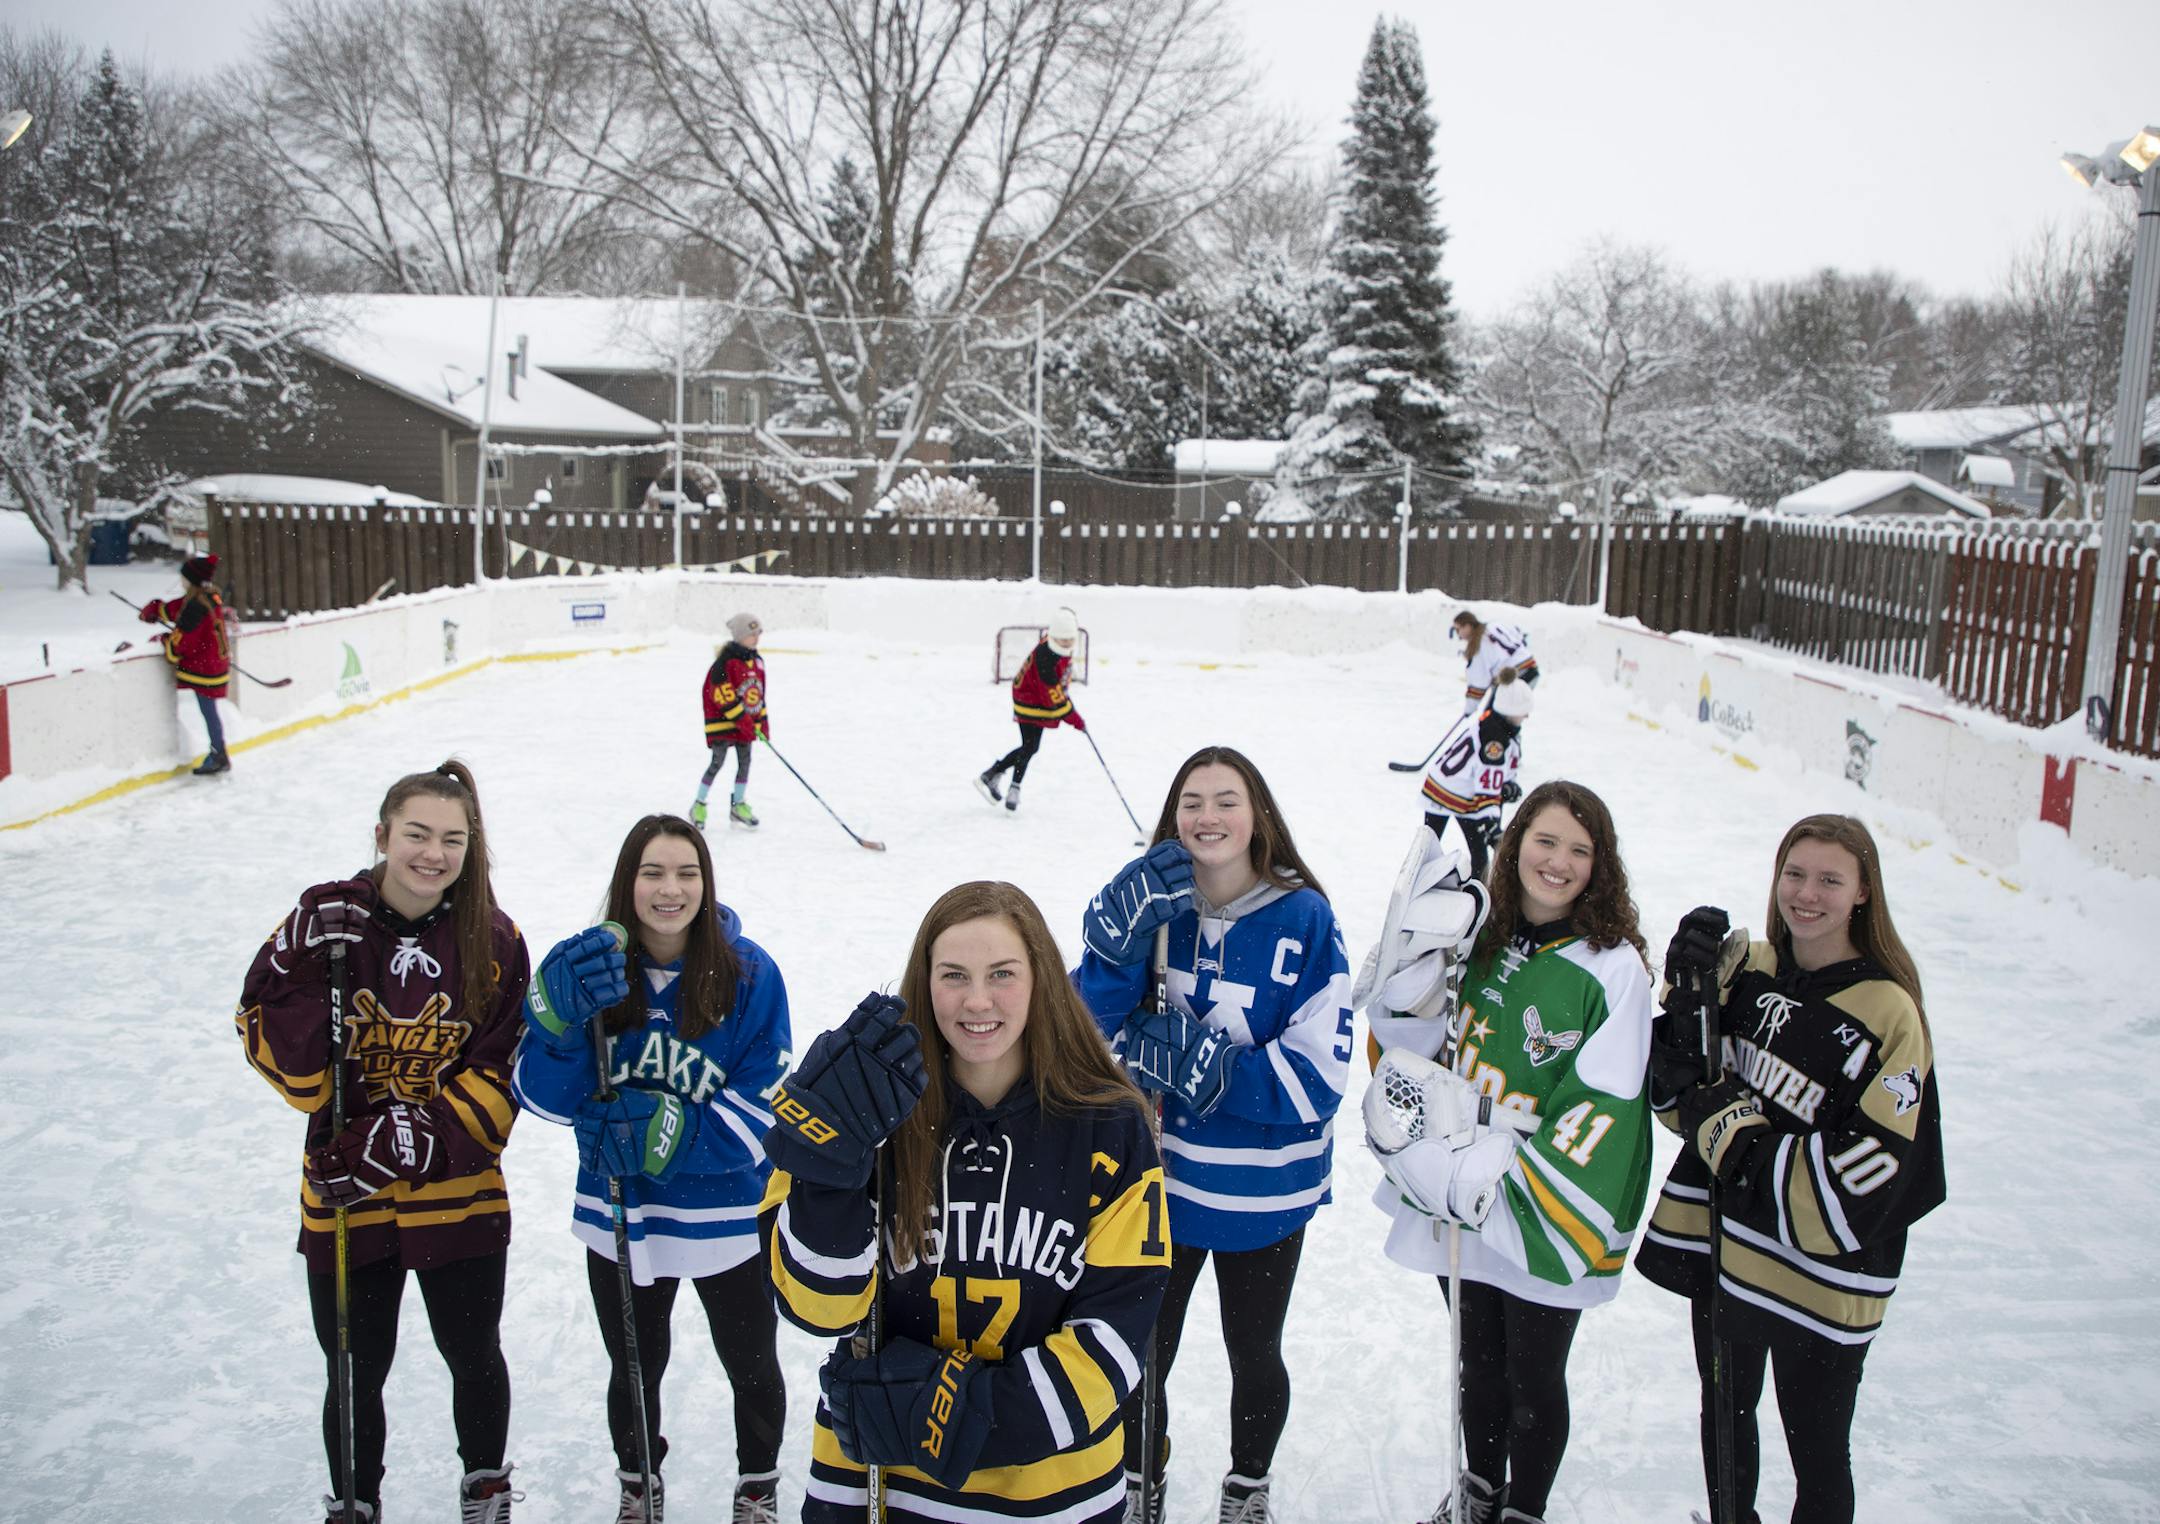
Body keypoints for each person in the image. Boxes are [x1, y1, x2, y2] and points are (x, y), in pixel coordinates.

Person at [759, 880, 1170, 1524]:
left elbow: (1116, 1336)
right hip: (877, 1485)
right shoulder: (869, 1106)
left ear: (1042, 981)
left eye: (1002, 974)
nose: (977, 1000)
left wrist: (966, 1418)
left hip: (1050, 1494)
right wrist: (829, 1174)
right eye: (953, 975)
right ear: (924, 984)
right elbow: (818, 1307)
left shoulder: (1108, 1125)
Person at [235, 761, 532, 1524]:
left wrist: (407, 1139)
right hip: (345, 1201)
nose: (433, 853)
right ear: (382, 835)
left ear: (473, 849)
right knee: (355, 1369)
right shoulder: (327, 926)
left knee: (474, 1354)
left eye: (453, 840)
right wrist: (294, 952)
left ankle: (485, 1492)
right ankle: (355, 1503)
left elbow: (502, 1075)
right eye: (417, 834)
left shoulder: (496, 939)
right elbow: (279, 1051)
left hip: (457, 1195)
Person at [1634, 815, 1945, 1524]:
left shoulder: (1890, 1011)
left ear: (1864, 892)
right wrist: (1685, 1022)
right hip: (1730, 1248)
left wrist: (1739, 1141)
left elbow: (1875, 1170)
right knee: (1725, 1417)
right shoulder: (1751, 967)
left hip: (1824, 1271)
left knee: (1820, 1452)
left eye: (1831, 880)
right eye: (1794, 874)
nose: (1807, 894)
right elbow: (1686, 1098)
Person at [1074, 746, 1353, 1524]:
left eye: (1227, 800)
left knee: (1254, 1352)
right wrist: (1113, 952)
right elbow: (1084, 1035)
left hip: (1263, 1190)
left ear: (1257, 814)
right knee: (1141, 1354)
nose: (1209, 816)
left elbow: (1320, 1079)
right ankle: (1140, 1481)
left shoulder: (1306, 918)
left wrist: (1218, 1073)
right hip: (1158, 1185)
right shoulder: (1154, 907)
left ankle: (1248, 1486)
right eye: (1192, 801)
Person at [1364, 780, 1654, 1524]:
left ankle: (1526, 1508)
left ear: (1601, 865)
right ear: (1516, 842)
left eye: (1579, 850)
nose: (1557, 862)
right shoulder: (1474, 933)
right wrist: (1402, 993)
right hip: (1452, 1171)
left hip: (1537, 1187)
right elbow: (1415, 1046)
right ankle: (1479, 1488)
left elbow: (1607, 1099)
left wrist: (1515, 1178)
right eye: (1545, 841)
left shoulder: (1611, 966)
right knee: (1478, 1357)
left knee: (1534, 1370)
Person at [511, 814, 793, 1524]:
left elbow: (766, 1114)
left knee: (751, 1361)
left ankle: (756, 1486)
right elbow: (546, 1098)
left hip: (728, 1213)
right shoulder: (592, 972)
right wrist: (552, 1030)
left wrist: (672, 1136)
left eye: (687, 873)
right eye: (653, 873)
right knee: (636, 1365)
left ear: (707, 883)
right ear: (626, 883)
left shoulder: (752, 973)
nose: (671, 890)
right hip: (623, 1209)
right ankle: (640, 1482)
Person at [1418, 669, 1533, 880]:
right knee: (1444, 852)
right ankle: (1476, 899)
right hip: (1457, 793)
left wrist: (1507, 784)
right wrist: (1490, 824)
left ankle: (1426, 882)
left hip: (1441, 788)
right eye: (1523, 710)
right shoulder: (1495, 739)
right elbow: (1487, 783)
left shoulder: (1495, 724)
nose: (1527, 715)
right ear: (1510, 709)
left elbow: (1495, 774)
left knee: (1428, 849)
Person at [976, 606, 1085, 814]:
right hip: (1028, 699)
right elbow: (1054, 696)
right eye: (1063, 641)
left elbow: (1058, 686)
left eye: (1070, 640)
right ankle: (1000, 779)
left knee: (1030, 746)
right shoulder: (1046, 656)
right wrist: (1074, 718)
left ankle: (1003, 780)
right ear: (1054, 637)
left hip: (1036, 697)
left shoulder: (1055, 646)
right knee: (1030, 746)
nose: (1067, 644)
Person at [139, 552, 234, 775]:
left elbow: (183, 643)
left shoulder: (195, 607)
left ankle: (219, 754)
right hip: (215, 663)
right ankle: (218, 752)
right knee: (208, 711)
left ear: (190, 579)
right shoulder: (209, 597)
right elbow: (178, 609)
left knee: (208, 711)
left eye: (183, 577)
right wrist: (158, 610)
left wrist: (165, 641)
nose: (180, 581)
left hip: (205, 669)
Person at [697, 612, 769, 830]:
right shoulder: (725, 662)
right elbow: (720, 693)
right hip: (723, 724)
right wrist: (742, 719)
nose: (755, 638)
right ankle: (699, 804)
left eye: (758, 634)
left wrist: (761, 722)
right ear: (739, 636)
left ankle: (738, 805)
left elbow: (757, 694)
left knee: (745, 763)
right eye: (751, 634)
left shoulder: (756, 661)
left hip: (745, 726)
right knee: (717, 763)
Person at [1450, 611, 1539, 717]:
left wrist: (1469, 710)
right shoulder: (1494, 625)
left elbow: (1478, 681)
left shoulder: (1479, 645)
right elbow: (1520, 636)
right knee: (1508, 718)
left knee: (1495, 720)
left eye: (1458, 629)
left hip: (1513, 678)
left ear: (1468, 626)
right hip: (1532, 671)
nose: (1458, 634)